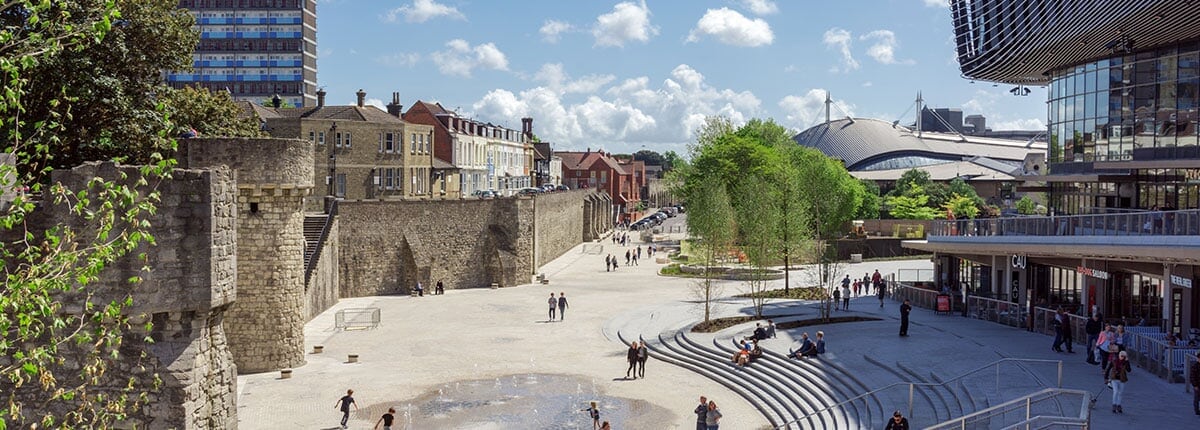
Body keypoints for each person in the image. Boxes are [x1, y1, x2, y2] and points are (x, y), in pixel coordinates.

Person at [1104, 348, 1131, 414]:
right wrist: (1106, 378)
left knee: (1120, 393)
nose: (1122, 357)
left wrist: (1127, 362)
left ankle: (1119, 405)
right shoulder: (1114, 361)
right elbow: (1108, 369)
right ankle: (1114, 404)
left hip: (1122, 379)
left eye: (1124, 356)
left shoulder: (1125, 362)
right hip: (1114, 378)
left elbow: (1129, 370)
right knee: (1115, 392)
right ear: (1119, 355)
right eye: (1121, 356)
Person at [1189, 350, 1200, 416]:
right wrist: (1195, 385)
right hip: (1197, 384)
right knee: (1197, 398)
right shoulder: (1195, 366)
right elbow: (1192, 376)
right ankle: (1197, 410)